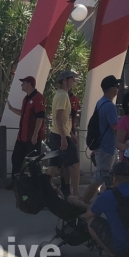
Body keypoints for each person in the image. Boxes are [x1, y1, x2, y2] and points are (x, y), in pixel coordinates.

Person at [85, 160, 129, 257]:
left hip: (121, 245)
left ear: (114, 178)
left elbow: (89, 214)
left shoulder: (107, 196)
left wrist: (100, 194)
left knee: (92, 222)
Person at [83, 75, 121, 204]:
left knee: (110, 177)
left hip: (102, 146)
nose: (118, 89)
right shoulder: (109, 106)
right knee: (99, 177)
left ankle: (106, 200)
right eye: (117, 86)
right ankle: (84, 202)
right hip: (107, 148)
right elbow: (116, 127)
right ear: (111, 89)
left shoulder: (100, 102)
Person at [47, 70, 81, 198]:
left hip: (58, 134)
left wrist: (70, 135)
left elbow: (62, 119)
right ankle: (76, 194)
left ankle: (44, 190)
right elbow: (59, 117)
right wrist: (64, 138)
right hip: (60, 135)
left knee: (54, 165)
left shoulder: (61, 94)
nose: (74, 81)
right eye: (72, 79)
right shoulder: (63, 95)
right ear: (65, 81)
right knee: (75, 163)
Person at [6, 75, 46, 175]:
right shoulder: (26, 98)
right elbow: (24, 113)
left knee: (33, 162)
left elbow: (40, 117)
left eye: (23, 82)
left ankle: (34, 185)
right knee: (16, 158)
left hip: (32, 137)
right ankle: (15, 182)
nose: (22, 84)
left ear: (29, 83)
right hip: (22, 137)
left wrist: (35, 134)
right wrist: (12, 109)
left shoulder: (38, 98)